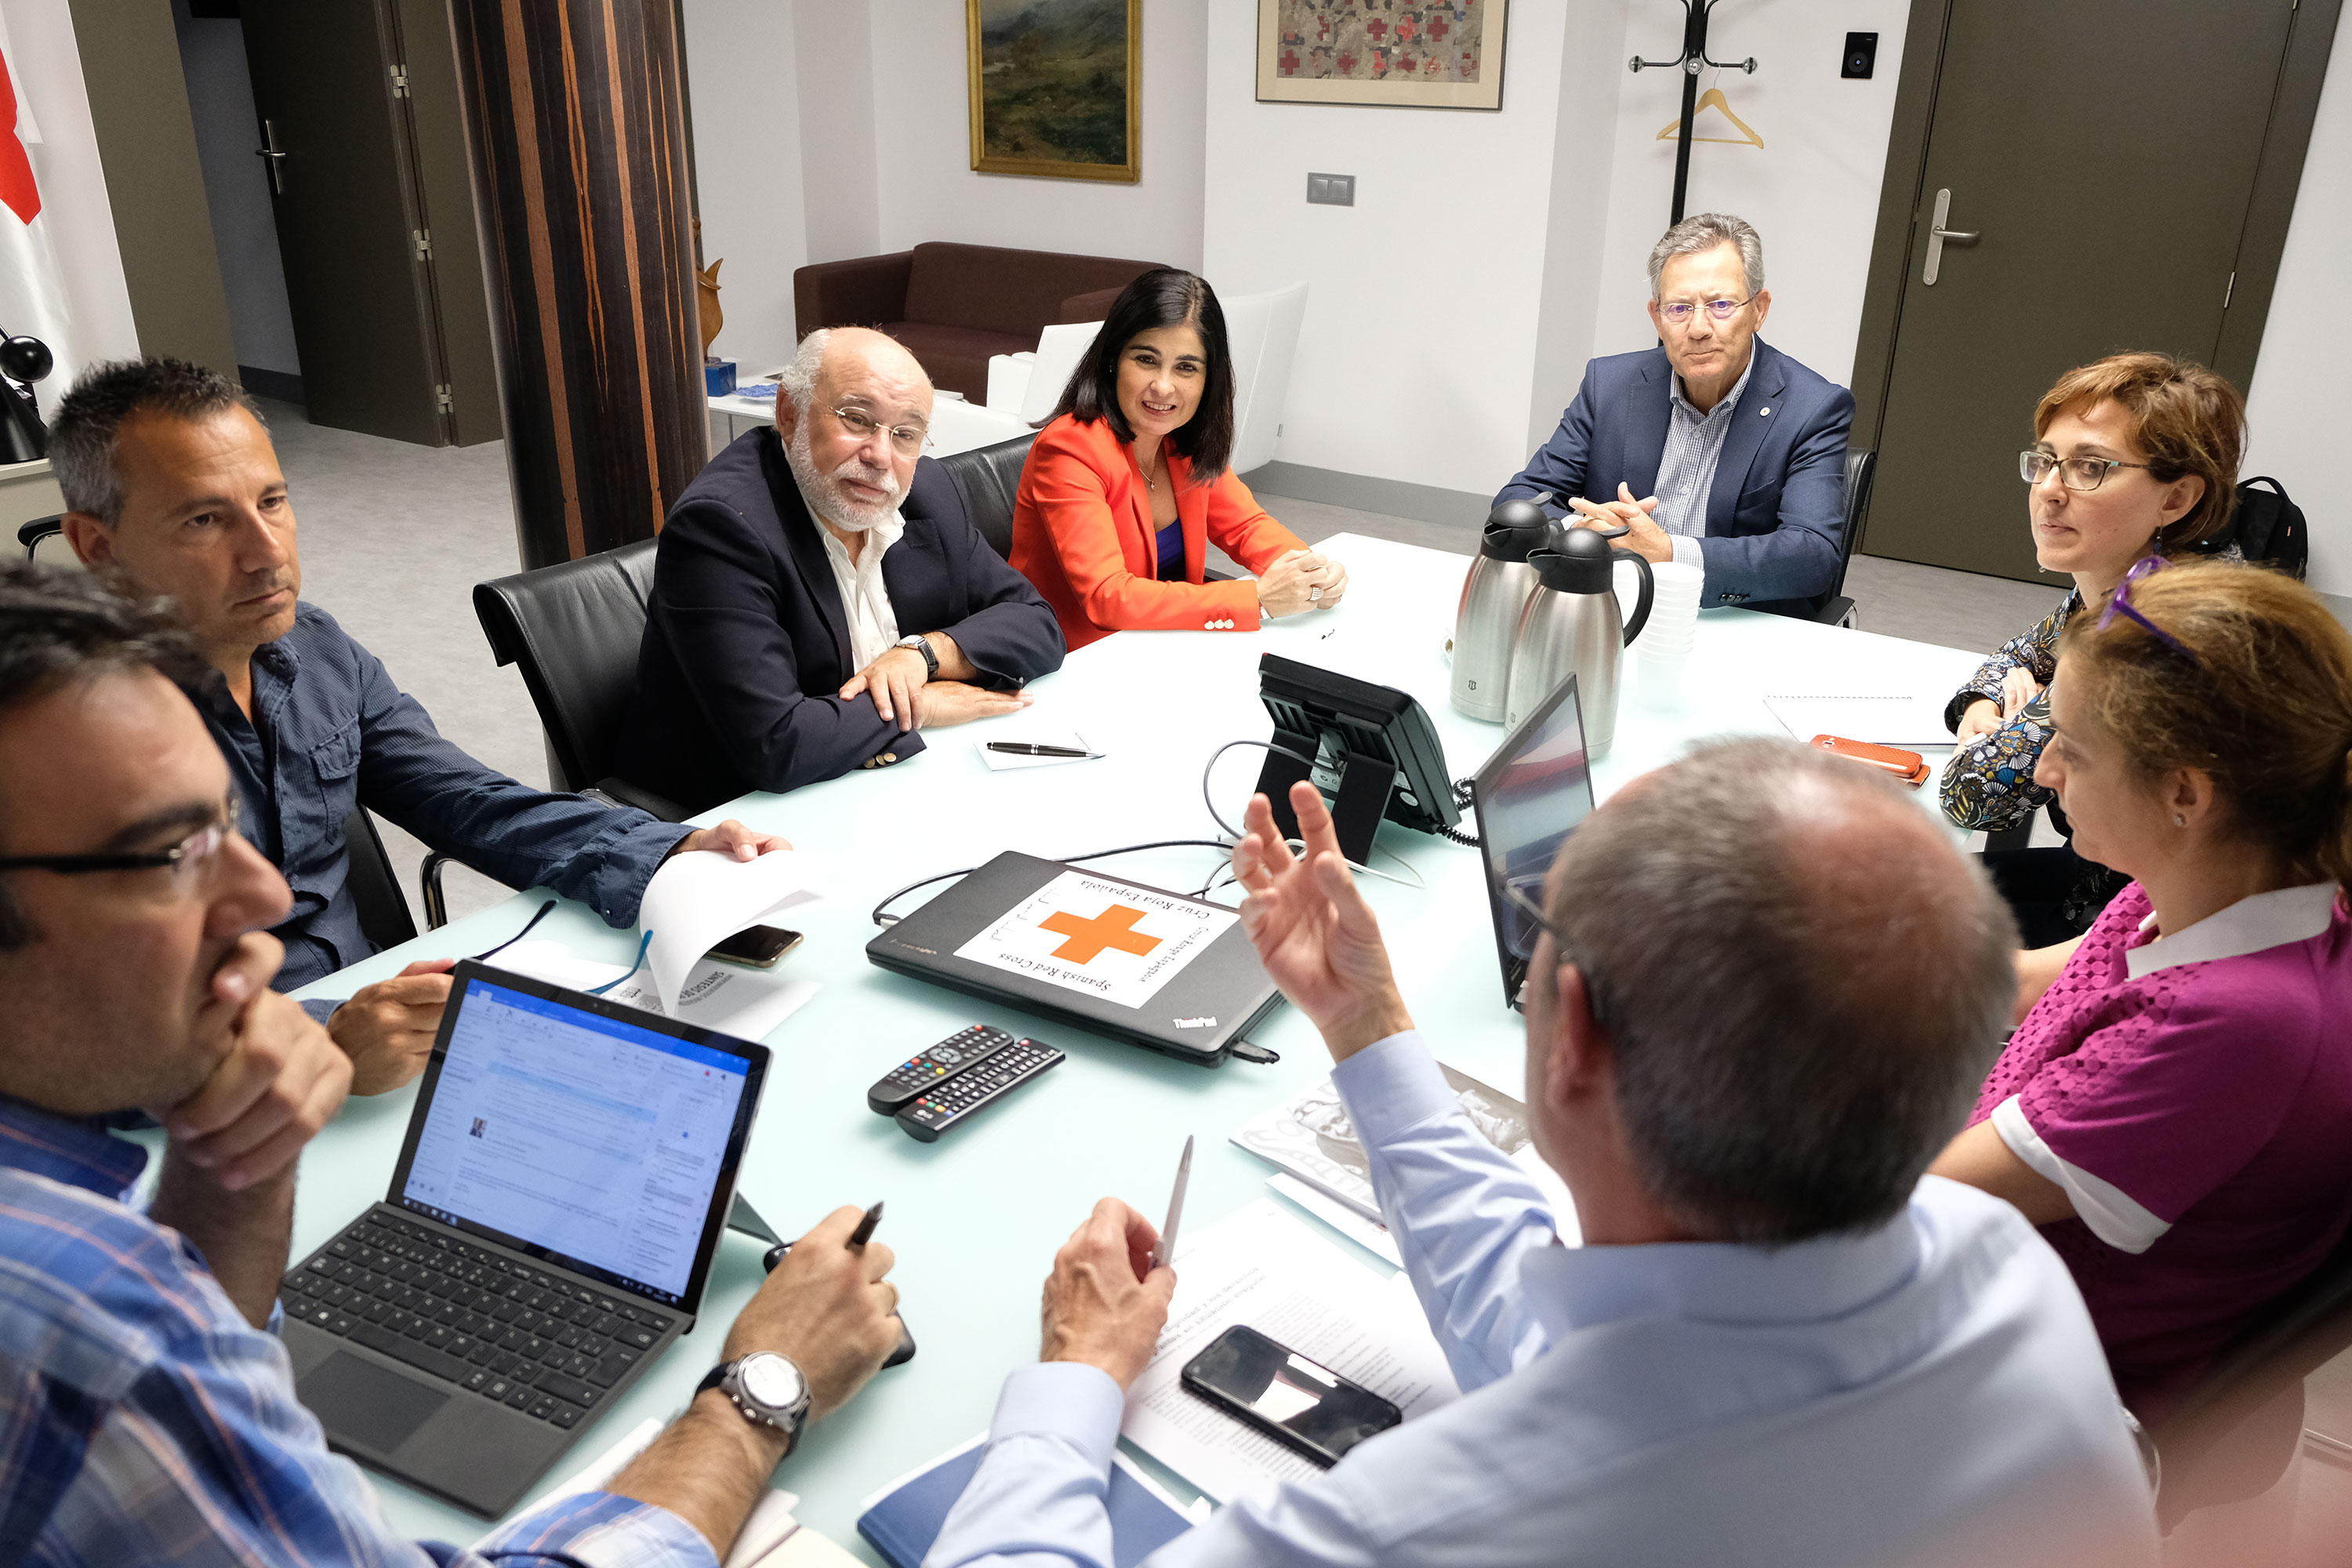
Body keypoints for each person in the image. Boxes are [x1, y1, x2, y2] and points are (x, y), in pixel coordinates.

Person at [927, 740, 2158, 1567]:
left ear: (1573, 1035)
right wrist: (1367, 1025)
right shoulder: (2002, 1270)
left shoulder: (1425, 1526)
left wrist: (1074, 1382)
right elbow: (1572, 1360)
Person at [0, 559, 906, 1565]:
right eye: (173, 852)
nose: (265, 897)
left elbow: (468, 796)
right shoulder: (80, 1319)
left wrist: (232, 1171)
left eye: (226, 823)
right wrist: (761, 1387)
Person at [50, 358, 785, 1098]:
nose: (267, 552)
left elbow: (465, 799)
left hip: (381, 1033)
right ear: (97, 547)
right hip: (214, 1097)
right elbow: (87, 1036)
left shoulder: (316, 647)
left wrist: (662, 850)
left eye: (272, 501)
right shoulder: (55, 753)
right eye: (204, 520)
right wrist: (325, 1039)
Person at [1930, 558, 2352, 1423]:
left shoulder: (2230, 1026)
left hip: (2045, 1394)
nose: (2045, 770)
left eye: (2072, 748)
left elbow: (1913, 1201)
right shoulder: (2213, 881)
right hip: (2002, 1269)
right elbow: (2019, 984)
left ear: (2185, 792)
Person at [617, 327, 1066, 811]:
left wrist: (923, 657)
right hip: (737, 816)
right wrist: (920, 705)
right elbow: (777, 744)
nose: (880, 456)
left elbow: (1038, 626)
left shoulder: (929, 493)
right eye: (856, 419)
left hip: (887, 784)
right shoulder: (720, 528)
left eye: (905, 434)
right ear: (789, 413)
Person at [1940, 355, 2245, 943]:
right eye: (2046, 460)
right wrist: (1984, 706)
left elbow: (1971, 796)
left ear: (2176, 498)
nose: (2049, 490)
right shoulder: (2131, 579)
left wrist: (2006, 732)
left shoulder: (2154, 629)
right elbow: (2016, 656)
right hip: (2098, 882)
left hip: (2146, 928)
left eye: (2090, 467)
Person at [1495, 212, 1853, 615]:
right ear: (1656, 317)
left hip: (1734, 620)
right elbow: (1521, 499)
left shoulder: (1813, 408)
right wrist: (1583, 531)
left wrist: (1668, 553)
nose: (1698, 328)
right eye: (1679, 308)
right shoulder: (1608, 384)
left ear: (1759, 309)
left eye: (1720, 305)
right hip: (1611, 609)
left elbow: (1812, 554)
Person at [1011, 268, 1347, 652]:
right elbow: (1107, 596)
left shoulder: (1181, 440)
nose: (1163, 386)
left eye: (1186, 367)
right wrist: (1257, 600)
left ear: (1208, 379)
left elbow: (1246, 526)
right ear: (1113, 360)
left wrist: (1310, 570)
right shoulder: (1071, 448)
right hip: (1070, 657)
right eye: (1146, 360)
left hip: (1162, 643)